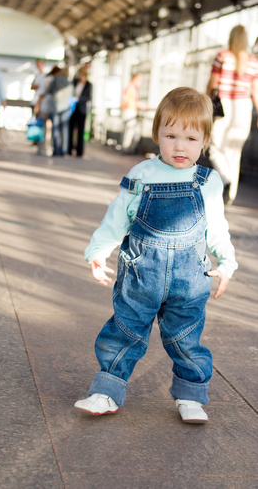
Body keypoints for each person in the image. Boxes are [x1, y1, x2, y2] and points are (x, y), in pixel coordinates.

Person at [74, 86, 237, 423]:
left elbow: (217, 228)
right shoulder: (141, 174)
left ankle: (191, 396)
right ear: (157, 135)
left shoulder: (208, 181)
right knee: (124, 331)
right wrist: (98, 251)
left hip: (190, 279)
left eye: (191, 139)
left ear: (204, 140)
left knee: (186, 339)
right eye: (171, 135)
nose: (180, 146)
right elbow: (117, 218)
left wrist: (227, 264)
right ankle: (106, 391)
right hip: (140, 275)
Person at [206, 25, 258, 205]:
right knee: (235, 153)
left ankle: (225, 180)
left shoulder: (223, 56)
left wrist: (205, 103)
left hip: (225, 105)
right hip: (244, 107)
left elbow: (213, 84)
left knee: (214, 147)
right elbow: (255, 90)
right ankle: (230, 196)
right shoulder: (254, 62)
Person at [120, 73, 148, 153]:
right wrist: (140, 104)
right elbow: (130, 101)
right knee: (129, 130)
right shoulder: (131, 88)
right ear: (135, 79)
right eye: (140, 81)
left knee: (129, 130)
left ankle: (126, 148)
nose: (141, 83)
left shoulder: (129, 87)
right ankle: (126, 148)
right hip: (130, 111)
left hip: (129, 110)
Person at [68, 66, 92, 157]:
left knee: (81, 131)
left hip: (82, 109)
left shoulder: (88, 85)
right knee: (71, 129)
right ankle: (69, 149)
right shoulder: (74, 83)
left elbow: (89, 97)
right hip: (73, 109)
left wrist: (79, 99)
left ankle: (79, 151)